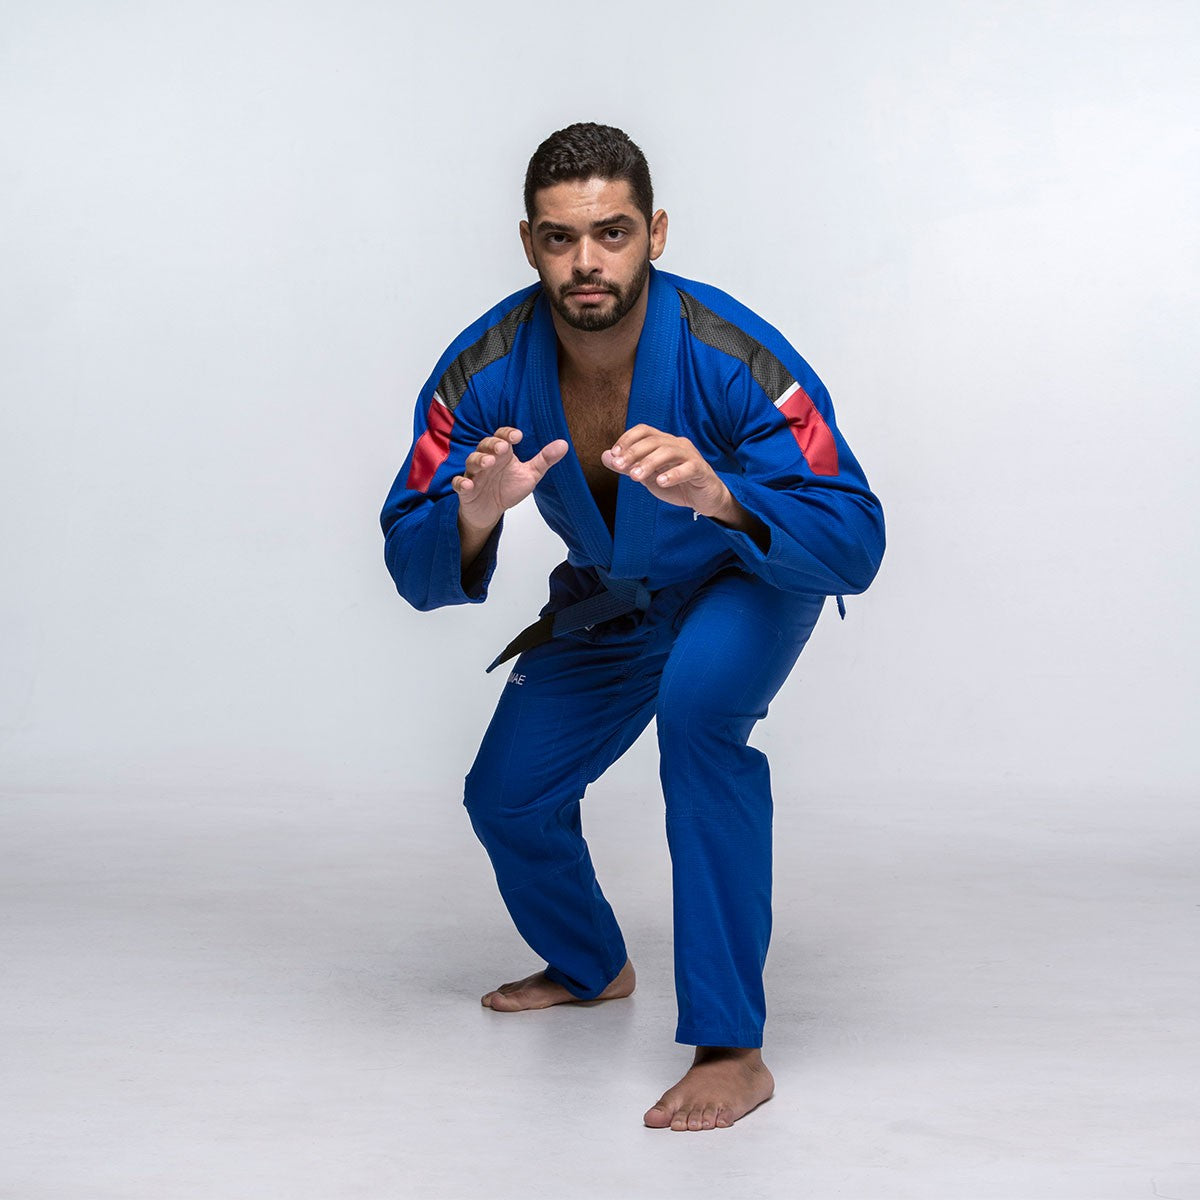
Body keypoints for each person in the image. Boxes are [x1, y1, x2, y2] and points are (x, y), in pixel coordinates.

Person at [380, 122, 885, 1131]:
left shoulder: (734, 356)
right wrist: (476, 516)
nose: (587, 261)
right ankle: (589, 964)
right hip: (614, 594)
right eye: (561, 238)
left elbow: (855, 536)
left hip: (744, 576)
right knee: (505, 796)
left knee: (699, 724)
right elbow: (410, 557)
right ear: (529, 243)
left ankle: (732, 1047)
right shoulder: (483, 368)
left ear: (654, 232)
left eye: (611, 233)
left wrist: (724, 496)